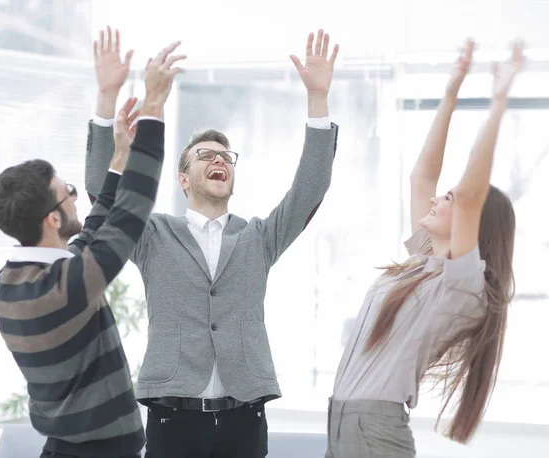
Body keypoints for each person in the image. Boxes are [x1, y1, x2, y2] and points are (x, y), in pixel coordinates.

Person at [85, 27, 339, 458]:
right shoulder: (153, 236)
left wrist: (318, 101)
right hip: (173, 418)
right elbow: (100, 195)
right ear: (184, 180)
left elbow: (309, 191)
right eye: (205, 155)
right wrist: (106, 99)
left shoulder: (258, 237)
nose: (219, 159)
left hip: (245, 418)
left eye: (225, 156)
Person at [0, 40, 185, 458]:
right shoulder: (67, 284)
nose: (77, 198)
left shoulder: (11, 282)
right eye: (69, 193)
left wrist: (117, 151)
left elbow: (91, 233)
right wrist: (153, 103)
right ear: (53, 220)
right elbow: (131, 212)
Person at [327, 40, 523, 457]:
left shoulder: (463, 286)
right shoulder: (423, 263)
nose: (436, 199)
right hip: (345, 424)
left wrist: (499, 101)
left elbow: (470, 192)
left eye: (448, 199)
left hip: (373, 429)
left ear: (475, 223)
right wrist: (451, 92)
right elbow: (421, 178)